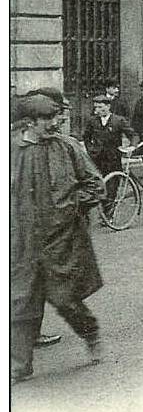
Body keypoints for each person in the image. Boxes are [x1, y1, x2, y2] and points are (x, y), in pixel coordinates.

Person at [11, 95, 106, 384]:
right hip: (22, 242)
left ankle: (90, 334)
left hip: (62, 240)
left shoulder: (68, 147)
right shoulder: (11, 151)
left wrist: (70, 205)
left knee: (65, 299)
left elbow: (96, 186)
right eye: (48, 120)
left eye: (56, 118)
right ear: (29, 123)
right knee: (20, 302)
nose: (55, 123)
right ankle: (20, 365)